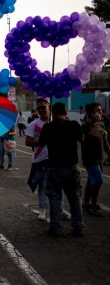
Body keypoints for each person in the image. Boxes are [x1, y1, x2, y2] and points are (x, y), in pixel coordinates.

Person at [39, 102, 85, 237]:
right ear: (66, 113)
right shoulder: (74, 125)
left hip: (54, 167)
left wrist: (49, 129)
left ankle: (56, 227)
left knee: (54, 198)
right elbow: (82, 139)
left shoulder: (47, 127)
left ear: (52, 113)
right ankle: (78, 227)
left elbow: (41, 144)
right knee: (75, 198)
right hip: (71, 166)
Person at [26, 98, 72, 221]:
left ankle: (60, 210)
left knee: (58, 184)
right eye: (38, 108)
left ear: (49, 108)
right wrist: (42, 141)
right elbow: (28, 141)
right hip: (40, 159)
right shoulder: (33, 124)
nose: (41, 110)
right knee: (42, 185)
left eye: (43, 107)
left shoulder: (57, 122)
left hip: (56, 158)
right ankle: (42, 209)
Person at [81, 103, 109, 216]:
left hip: (99, 158)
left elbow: (105, 142)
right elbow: (93, 135)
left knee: (90, 181)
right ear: (92, 113)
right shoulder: (85, 126)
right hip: (90, 158)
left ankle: (86, 203)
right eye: (98, 110)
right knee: (98, 180)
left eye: (101, 110)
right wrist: (97, 122)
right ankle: (94, 204)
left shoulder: (101, 125)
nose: (101, 112)